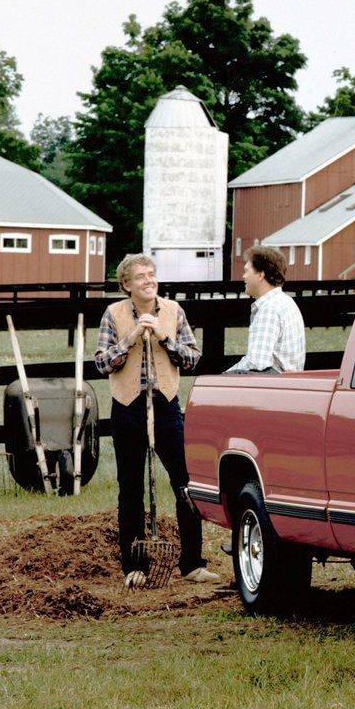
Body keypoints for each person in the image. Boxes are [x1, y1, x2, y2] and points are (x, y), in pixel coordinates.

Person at [95, 254, 218, 587]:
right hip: (128, 407)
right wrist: (133, 336)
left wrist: (164, 338)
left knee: (185, 484)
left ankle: (192, 563)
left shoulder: (174, 312)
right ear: (126, 285)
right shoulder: (114, 314)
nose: (148, 281)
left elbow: (192, 358)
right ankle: (135, 567)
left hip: (165, 406)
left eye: (151, 275)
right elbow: (102, 363)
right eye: (140, 277)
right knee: (131, 490)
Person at [224, 245, 306, 374]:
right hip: (287, 385)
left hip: (273, 387)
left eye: (247, 271)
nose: (243, 276)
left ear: (261, 274)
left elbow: (257, 362)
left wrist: (222, 377)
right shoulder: (286, 301)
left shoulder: (269, 309)